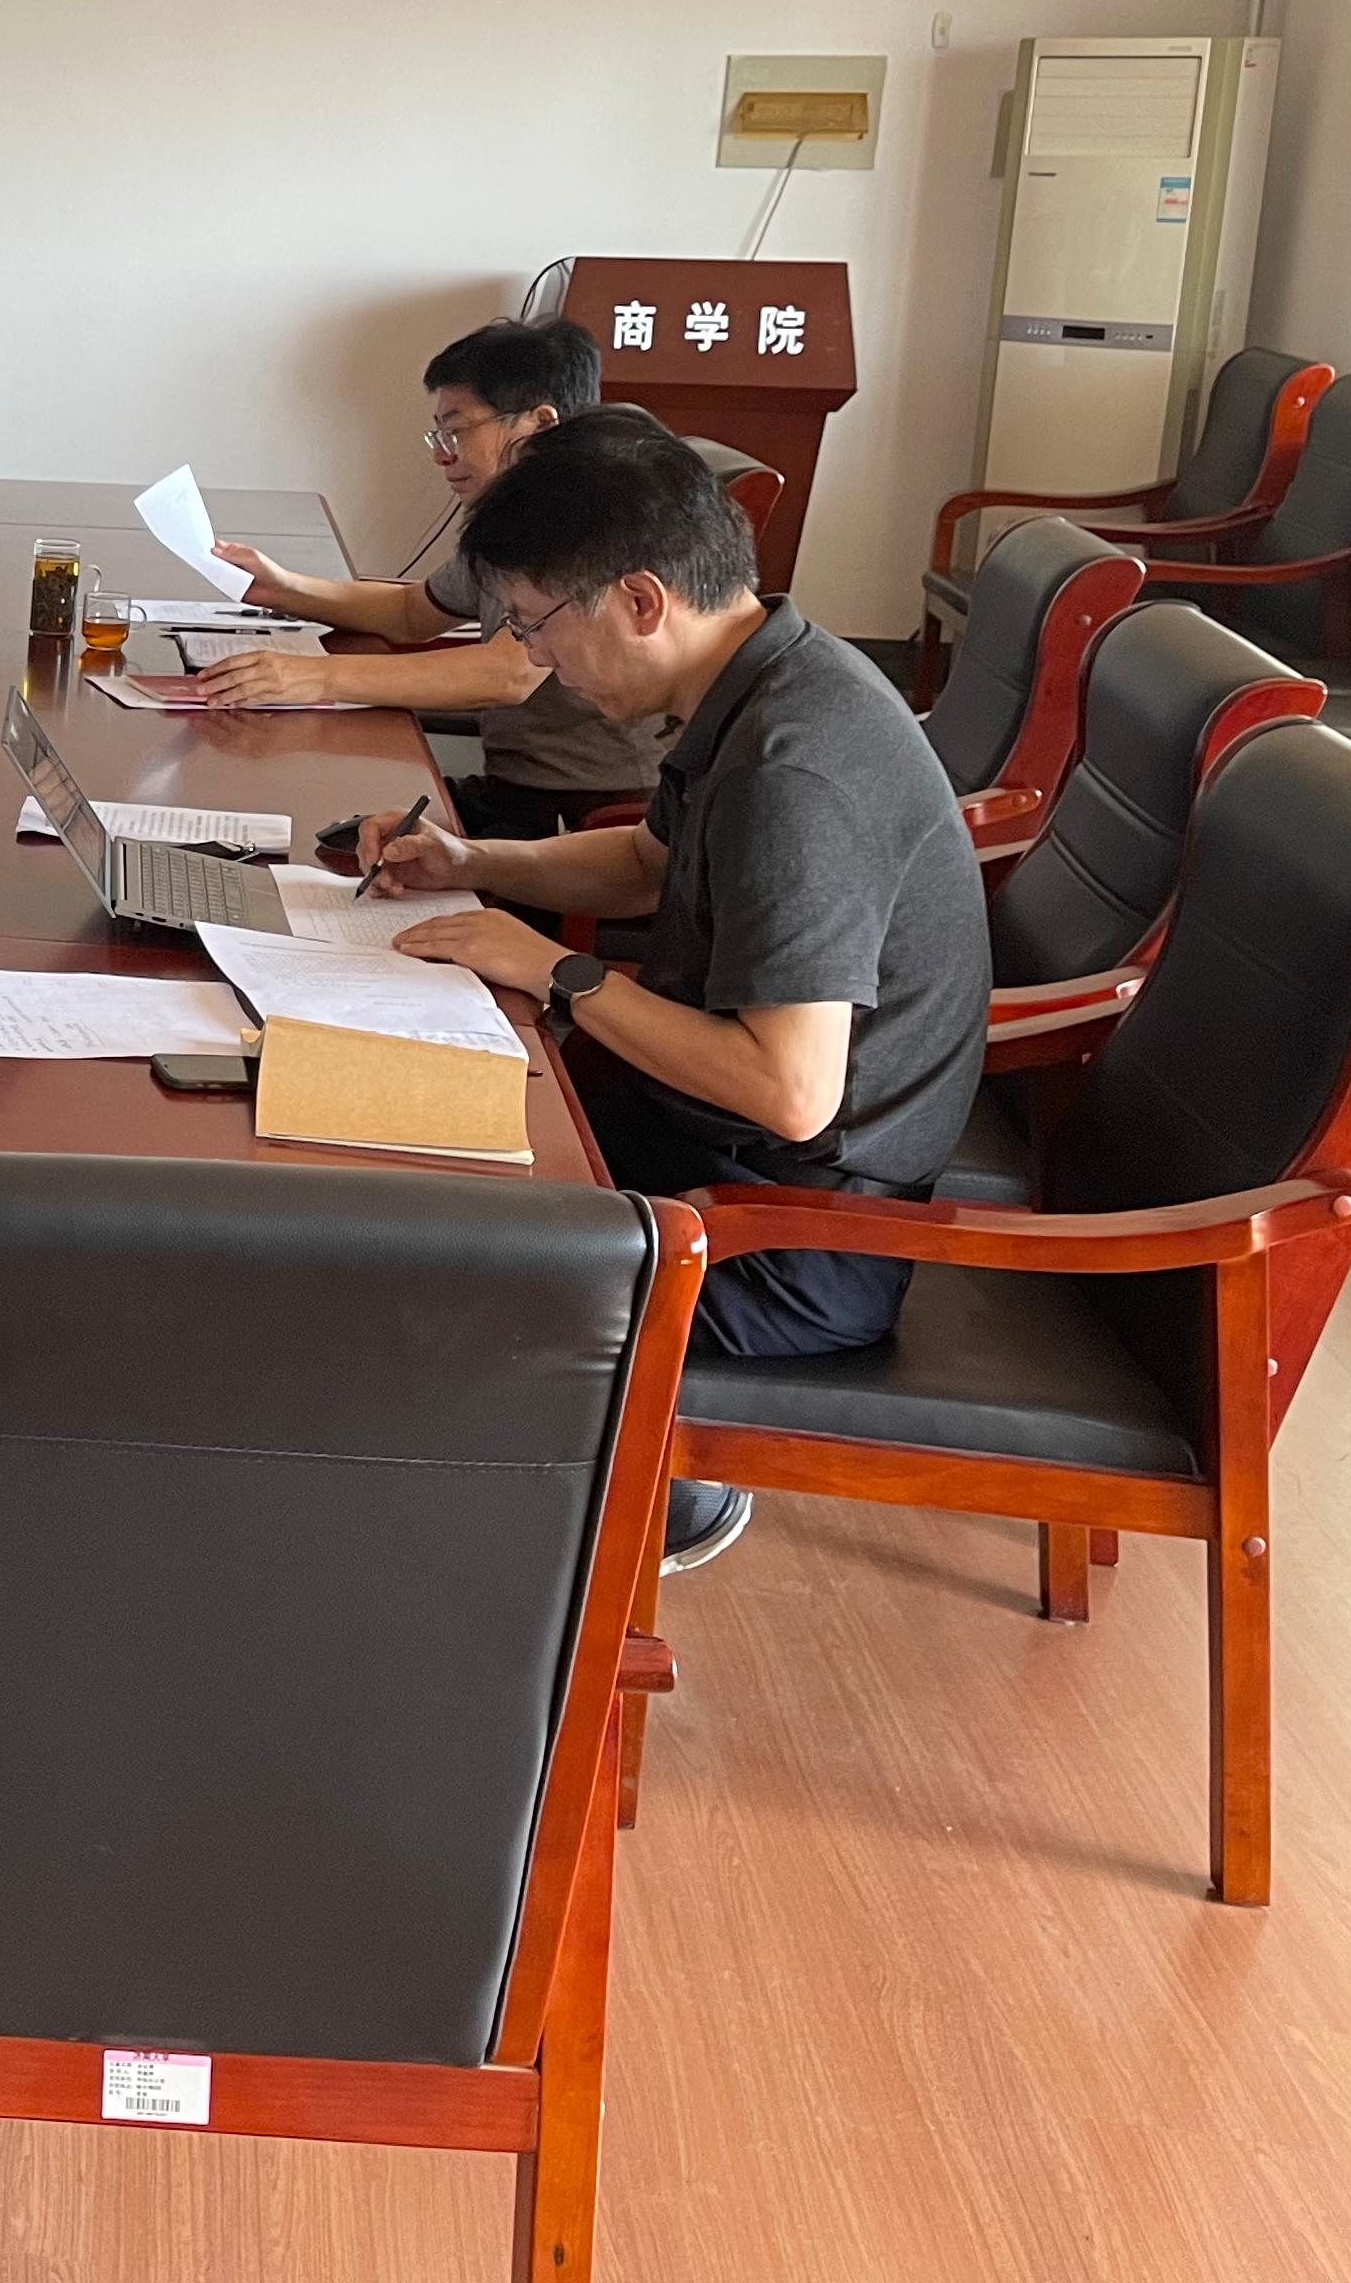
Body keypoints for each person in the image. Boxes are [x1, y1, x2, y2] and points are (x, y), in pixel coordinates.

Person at [345, 412, 988, 1574]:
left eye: (538, 623)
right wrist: (476, 864)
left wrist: (559, 968)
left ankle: (656, 1499)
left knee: (428, 1274)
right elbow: (650, 863)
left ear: (641, 601)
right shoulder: (761, 674)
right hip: (706, 1145)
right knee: (395, 1149)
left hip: (789, 1238)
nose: (538, 659)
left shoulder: (795, 770)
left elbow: (791, 1091)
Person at [199, 318, 670, 836]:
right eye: (438, 434)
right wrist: (284, 587)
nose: (442, 455)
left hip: (592, 813)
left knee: (326, 829)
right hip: (518, 790)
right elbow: (412, 613)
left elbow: (508, 674)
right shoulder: (515, 516)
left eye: (457, 431)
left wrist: (311, 677)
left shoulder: (589, 517)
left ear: (539, 423)